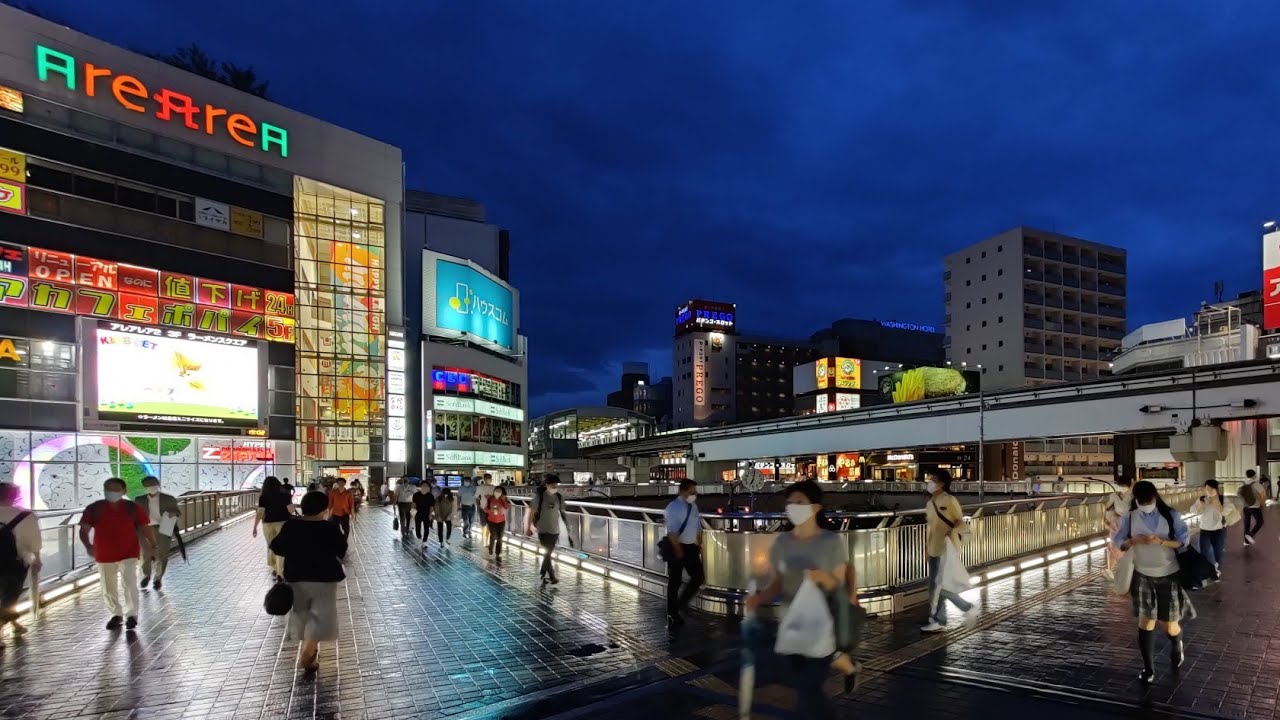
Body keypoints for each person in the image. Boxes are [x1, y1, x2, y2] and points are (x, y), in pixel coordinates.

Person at [745, 480, 858, 718]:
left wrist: (821, 578)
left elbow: (837, 583)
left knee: (808, 688)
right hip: (792, 623)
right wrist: (760, 597)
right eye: (790, 503)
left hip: (825, 623)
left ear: (815, 508)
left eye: (800, 502)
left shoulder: (830, 541)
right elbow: (778, 583)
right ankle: (849, 667)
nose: (793, 507)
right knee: (801, 684)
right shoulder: (781, 543)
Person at [1113, 480, 1194, 683]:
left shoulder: (1170, 514)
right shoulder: (1129, 517)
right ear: (1136, 500)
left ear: (1155, 497)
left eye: (1147, 500)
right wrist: (1133, 541)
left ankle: (1177, 644)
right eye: (1141, 501)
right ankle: (1148, 669)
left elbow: (1183, 541)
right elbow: (1120, 544)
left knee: (1170, 624)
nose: (1144, 504)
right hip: (1142, 573)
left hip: (1169, 573)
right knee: (1146, 621)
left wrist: (1162, 542)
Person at [269, 491, 347, 672]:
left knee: (303, 614)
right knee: (322, 616)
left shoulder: (291, 526)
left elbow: (276, 546)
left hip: (296, 577)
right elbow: (341, 550)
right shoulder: (330, 528)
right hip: (324, 579)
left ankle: (309, 651)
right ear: (323, 509)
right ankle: (308, 653)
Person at [79, 478, 157, 630]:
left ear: (123, 491)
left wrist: (154, 544)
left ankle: (132, 614)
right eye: (108, 488)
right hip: (104, 553)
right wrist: (88, 545)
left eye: (115, 488)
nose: (111, 491)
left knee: (129, 582)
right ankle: (116, 614)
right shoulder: (94, 508)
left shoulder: (131, 507)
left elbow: (145, 526)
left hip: (128, 551)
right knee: (108, 586)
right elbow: (84, 528)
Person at [921, 469, 975, 633]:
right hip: (933, 547)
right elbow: (930, 527)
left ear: (942, 483)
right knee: (935, 585)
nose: (930, 482)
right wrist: (926, 547)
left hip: (947, 547)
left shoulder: (950, 500)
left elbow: (960, 521)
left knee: (938, 586)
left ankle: (964, 608)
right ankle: (940, 620)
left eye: (933, 479)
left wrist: (948, 533)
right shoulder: (930, 503)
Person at [0, 482, 39, 636]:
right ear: (15, 496)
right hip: (14, 562)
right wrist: (36, 557)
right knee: (10, 594)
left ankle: (14, 622)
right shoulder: (24, 515)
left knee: (7, 594)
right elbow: (34, 540)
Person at [664, 479, 703, 627]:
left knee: (698, 576)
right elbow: (672, 532)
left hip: (690, 546)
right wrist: (678, 551)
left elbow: (698, 526)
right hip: (677, 547)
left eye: (695, 491)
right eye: (692, 491)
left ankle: (681, 603)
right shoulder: (673, 507)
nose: (694, 494)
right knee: (675, 581)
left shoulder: (693, 506)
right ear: (683, 491)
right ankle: (673, 613)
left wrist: (699, 544)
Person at [135, 476, 180, 591]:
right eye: (149, 486)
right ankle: (146, 575)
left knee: (162, 553)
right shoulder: (139, 500)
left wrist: (170, 514)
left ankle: (158, 578)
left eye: (153, 485)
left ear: (158, 485)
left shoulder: (169, 498)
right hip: (145, 528)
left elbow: (176, 511)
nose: (152, 488)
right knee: (145, 553)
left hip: (164, 526)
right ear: (145, 487)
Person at [528, 474, 572, 585]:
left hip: (555, 529)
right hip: (542, 528)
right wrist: (529, 526)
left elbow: (562, 512)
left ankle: (543, 571)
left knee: (548, 552)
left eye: (556, 484)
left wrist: (567, 526)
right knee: (548, 552)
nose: (555, 486)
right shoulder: (540, 497)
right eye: (552, 484)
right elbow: (532, 512)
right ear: (547, 485)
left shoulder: (559, 497)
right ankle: (552, 576)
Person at [252, 476, 295, 580]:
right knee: (282, 547)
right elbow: (291, 510)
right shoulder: (285, 495)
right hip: (283, 523)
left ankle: (275, 568)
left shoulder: (263, 497)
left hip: (268, 524)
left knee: (272, 546)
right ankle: (281, 572)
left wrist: (255, 527)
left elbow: (260, 512)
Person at [1191, 479, 1231, 580]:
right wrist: (1202, 505)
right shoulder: (1202, 499)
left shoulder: (1222, 499)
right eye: (1207, 488)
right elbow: (1194, 511)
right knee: (1204, 552)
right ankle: (1207, 571)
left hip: (1219, 530)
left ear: (1216, 489)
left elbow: (1225, 512)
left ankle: (1216, 569)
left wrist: (1215, 500)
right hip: (1205, 529)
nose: (1209, 490)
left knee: (1218, 551)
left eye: (1211, 488)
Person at [1104, 477, 1134, 580]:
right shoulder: (1119, 496)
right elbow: (1107, 507)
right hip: (1120, 523)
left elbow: (1107, 507)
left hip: (1123, 523)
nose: (1122, 488)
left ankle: (1120, 569)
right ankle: (1113, 570)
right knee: (1116, 545)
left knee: (1120, 545)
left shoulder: (1131, 496)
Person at [1241, 469, 1266, 546]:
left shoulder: (1244, 484)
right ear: (1254, 475)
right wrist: (1262, 504)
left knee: (1247, 524)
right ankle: (1251, 535)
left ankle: (1246, 542)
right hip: (1255, 506)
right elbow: (1263, 495)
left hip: (1246, 506)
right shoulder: (1256, 484)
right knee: (1260, 522)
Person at [485, 485, 511, 559]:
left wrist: (503, 499)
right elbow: (485, 509)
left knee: (500, 537)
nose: (497, 493)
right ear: (494, 491)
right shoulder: (490, 499)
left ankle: (498, 552)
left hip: (501, 521)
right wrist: (491, 511)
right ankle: (491, 548)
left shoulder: (503, 499)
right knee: (493, 535)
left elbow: (506, 507)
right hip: (491, 520)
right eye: (496, 491)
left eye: (499, 491)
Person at [413, 479, 435, 545]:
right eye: (423, 485)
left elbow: (431, 506)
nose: (424, 487)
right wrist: (413, 514)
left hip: (426, 514)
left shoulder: (430, 496)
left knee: (426, 528)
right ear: (420, 486)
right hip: (418, 513)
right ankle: (419, 538)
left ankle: (425, 541)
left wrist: (430, 514)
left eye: (426, 486)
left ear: (428, 487)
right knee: (417, 528)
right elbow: (413, 505)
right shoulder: (416, 495)